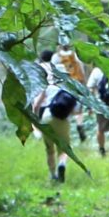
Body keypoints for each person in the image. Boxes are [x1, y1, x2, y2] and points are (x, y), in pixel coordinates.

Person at [34, 50, 80, 184]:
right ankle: (62, 165)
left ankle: (52, 175)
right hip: (63, 120)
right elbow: (76, 111)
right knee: (64, 148)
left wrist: (36, 120)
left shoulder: (48, 85)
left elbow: (37, 104)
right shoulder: (69, 87)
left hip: (47, 116)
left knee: (49, 150)